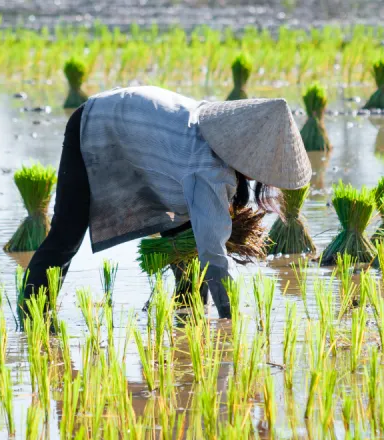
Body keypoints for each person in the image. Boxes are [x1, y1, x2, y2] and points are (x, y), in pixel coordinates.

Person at [23, 86, 311, 318]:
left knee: (186, 245)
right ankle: (32, 316)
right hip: (96, 123)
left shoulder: (213, 129)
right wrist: (230, 317)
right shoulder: (208, 169)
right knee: (67, 234)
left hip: (134, 128)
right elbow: (214, 253)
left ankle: (187, 313)